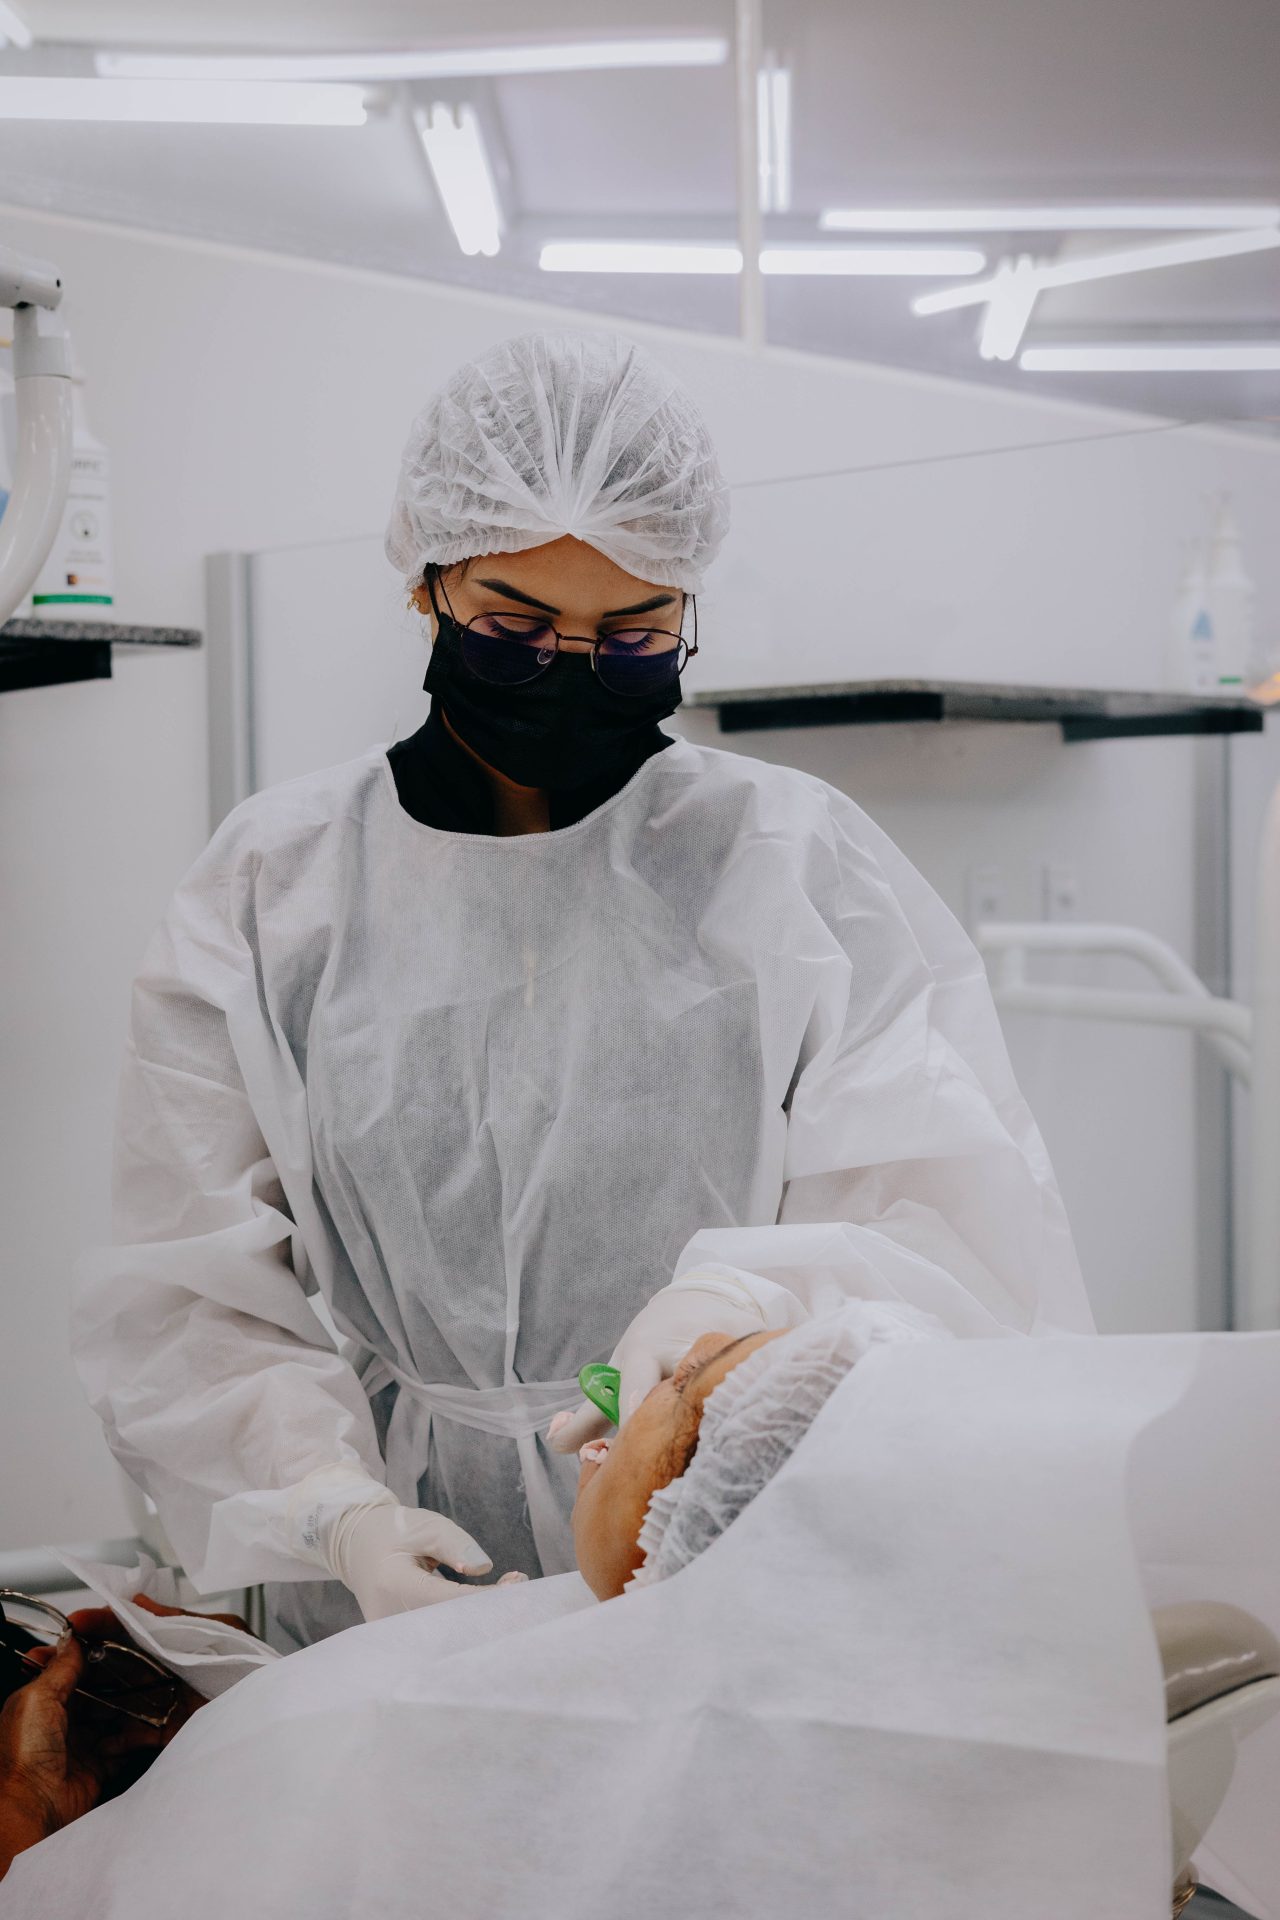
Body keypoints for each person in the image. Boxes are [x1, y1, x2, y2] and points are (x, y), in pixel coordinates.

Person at [71, 327, 1092, 1655]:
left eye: (633, 633)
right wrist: (334, 1513)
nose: (571, 668)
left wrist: (744, 1311)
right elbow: (183, 1287)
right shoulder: (278, 886)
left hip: (725, 1534)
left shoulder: (795, 866)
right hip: (401, 1583)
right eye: (514, 625)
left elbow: (953, 1234)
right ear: (424, 586)